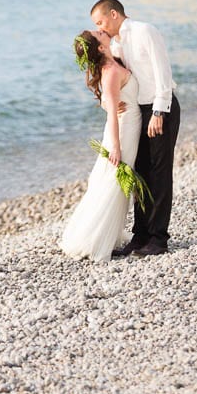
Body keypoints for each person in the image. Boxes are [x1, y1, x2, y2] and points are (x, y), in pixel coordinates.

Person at [91, 0, 180, 257]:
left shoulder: (145, 31)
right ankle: (139, 236)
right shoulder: (116, 44)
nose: (101, 27)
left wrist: (159, 112)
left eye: (100, 21)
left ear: (114, 14)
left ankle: (158, 239)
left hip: (159, 109)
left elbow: (163, 73)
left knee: (159, 175)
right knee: (140, 174)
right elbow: (113, 78)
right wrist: (111, 105)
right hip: (137, 113)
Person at [60, 30, 142, 262]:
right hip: (123, 130)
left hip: (130, 124)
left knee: (112, 180)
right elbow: (113, 116)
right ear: (99, 48)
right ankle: (95, 238)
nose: (101, 30)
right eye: (98, 33)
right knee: (114, 181)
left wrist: (108, 104)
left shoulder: (112, 63)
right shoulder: (112, 72)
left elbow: (110, 101)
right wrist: (115, 147)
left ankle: (107, 233)